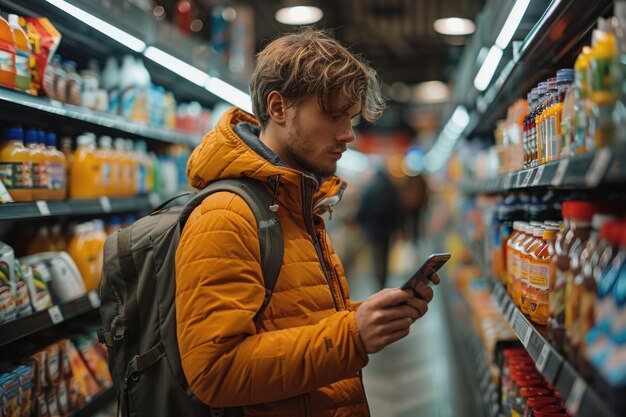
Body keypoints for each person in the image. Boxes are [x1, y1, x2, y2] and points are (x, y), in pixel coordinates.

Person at [175, 28, 440, 416]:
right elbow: (215, 372)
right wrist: (352, 336)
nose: (349, 134)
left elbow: (294, 317)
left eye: (350, 118)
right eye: (333, 116)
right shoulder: (226, 215)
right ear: (279, 108)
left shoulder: (295, 202)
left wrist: (366, 315)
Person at [356, 166, 402, 289]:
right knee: (385, 255)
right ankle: (384, 280)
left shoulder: (370, 188)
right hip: (387, 229)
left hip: (372, 229)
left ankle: (378, 282)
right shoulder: (392, 188)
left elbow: (363, 208)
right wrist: (397, 228)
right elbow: (397, 210)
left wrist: (361, 223)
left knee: (376, 256)